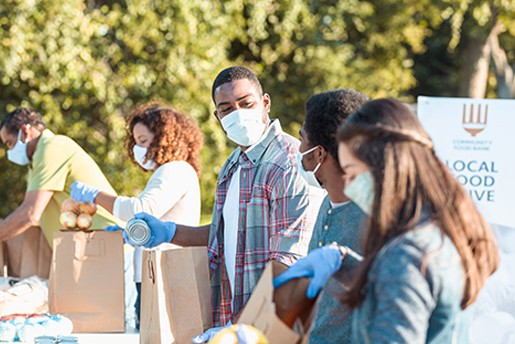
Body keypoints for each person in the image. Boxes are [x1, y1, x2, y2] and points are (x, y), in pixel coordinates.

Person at [275, 98, 499, 343]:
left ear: (385, 167)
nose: (348, 185)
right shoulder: (436, 230)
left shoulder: (408, 253)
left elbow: (401, 279)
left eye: (352, 173)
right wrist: (343, 262)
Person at [127, 66, 324, 341]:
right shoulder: (232, 166)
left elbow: (289, 264)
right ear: (217, 116)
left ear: (265, 103)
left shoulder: (288, 163)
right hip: (233, 321)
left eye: (246, 103)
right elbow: (226, 234)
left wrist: (242, 328)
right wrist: (171, 232)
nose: (239, 114)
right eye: (227, 108)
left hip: (272, 328)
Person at [70, 102, 203, 328]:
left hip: (166, 274)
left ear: (164, 138)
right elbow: (156, 218)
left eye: (143, 141)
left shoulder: (175, 170)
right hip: (155, 273)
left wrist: (95, 195)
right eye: (136, 142)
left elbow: (143, 208)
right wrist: (130, 233)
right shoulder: (170, 171)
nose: (138, 149)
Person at [297, 89, 368, 343]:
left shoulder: (376, 218)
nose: (298, 149)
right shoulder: (328, 202)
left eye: (301, 139)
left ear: (319, 153)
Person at [0, 108, 120, 246]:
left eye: (10, 143)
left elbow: (31, 213)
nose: (10, 151)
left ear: (25, 132)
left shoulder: (51, 147)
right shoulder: (35, 161)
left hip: (106, 244)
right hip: (90, 246)